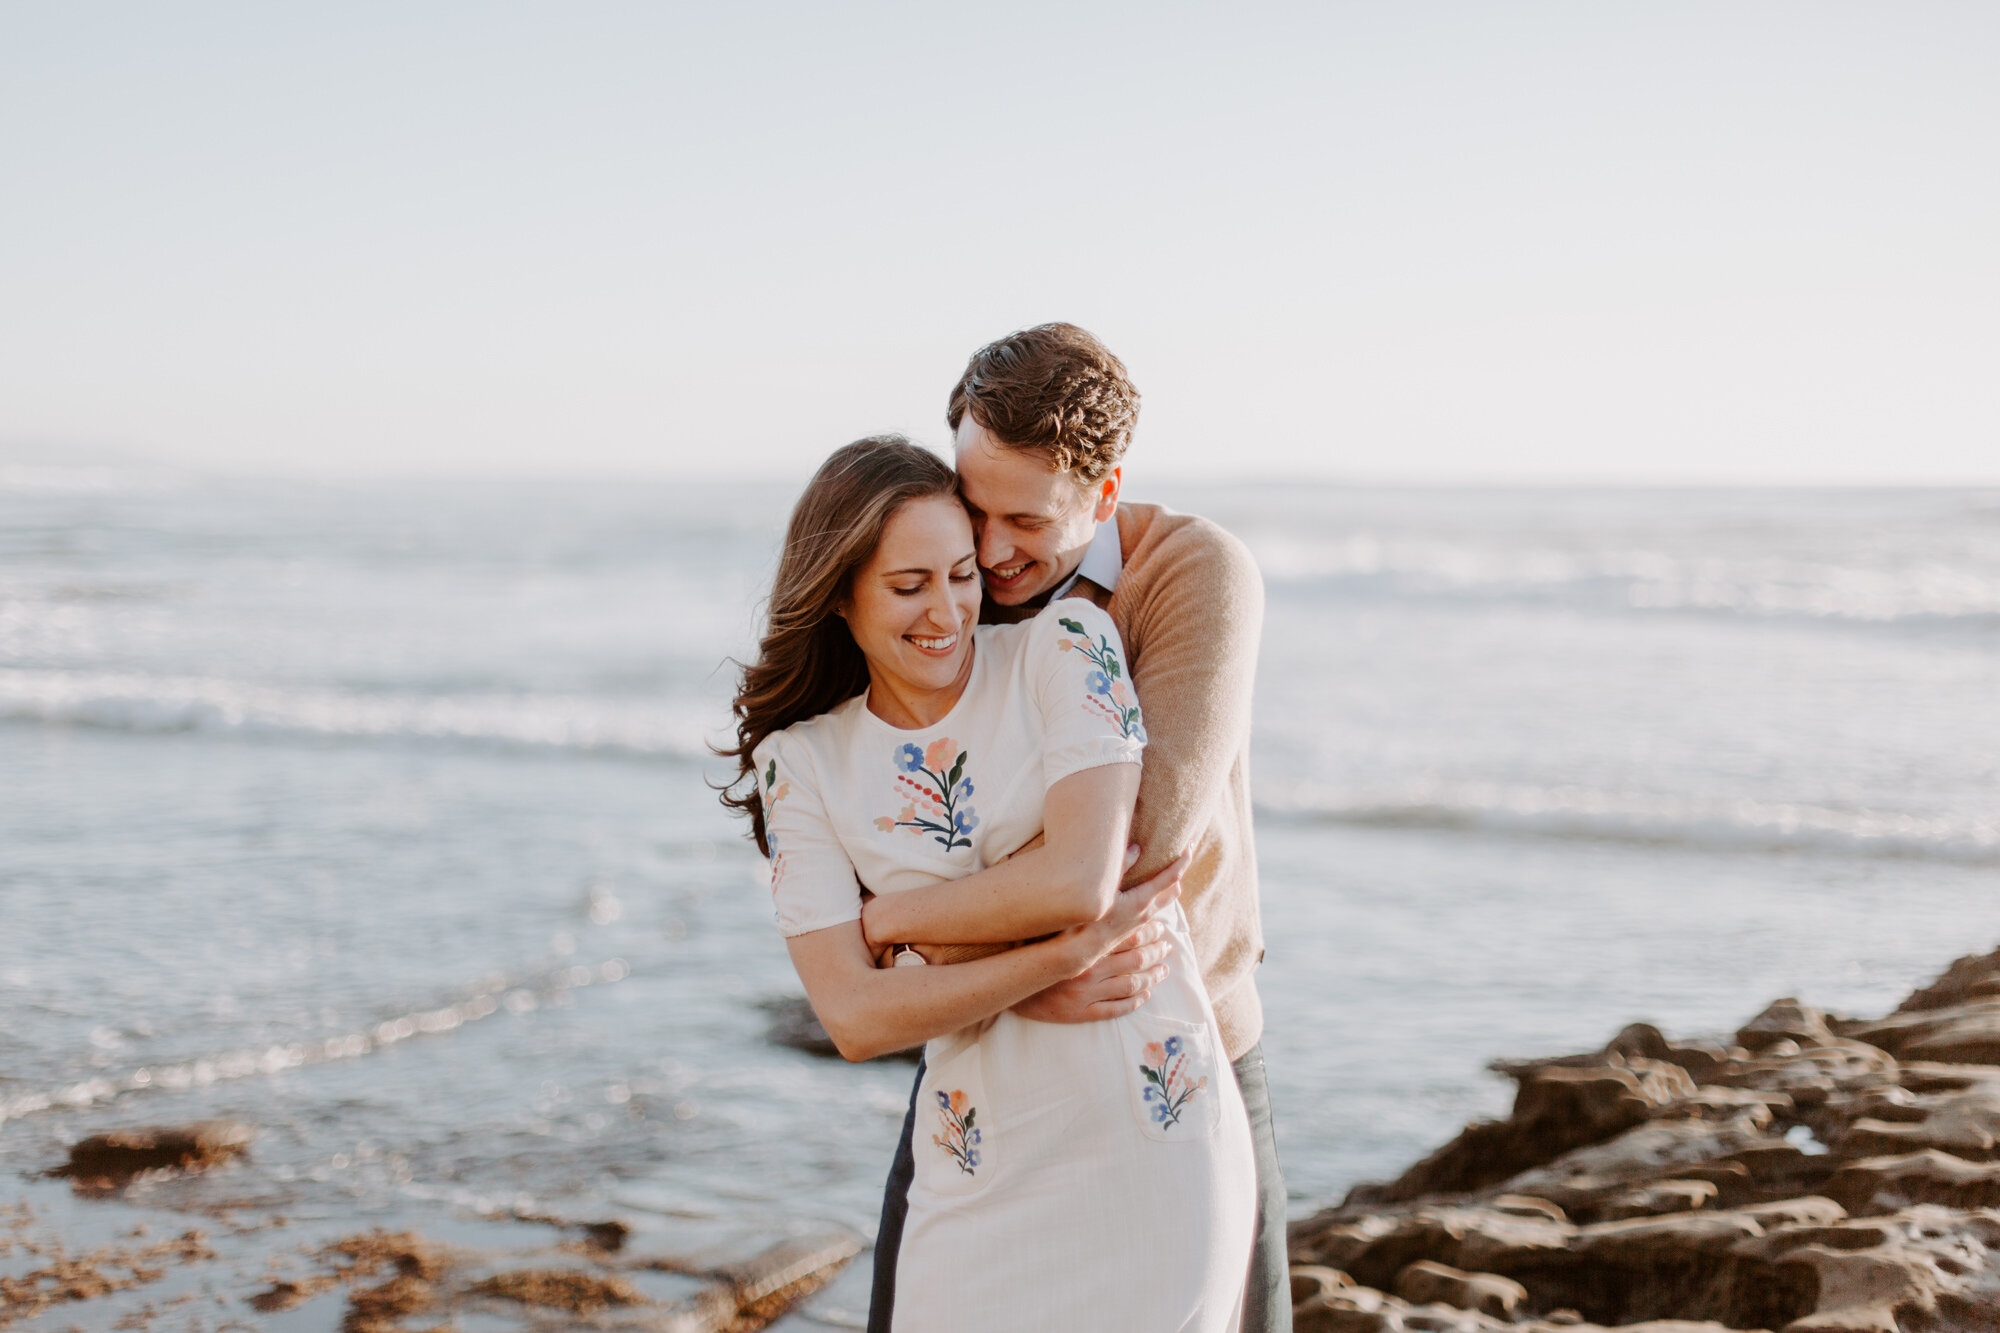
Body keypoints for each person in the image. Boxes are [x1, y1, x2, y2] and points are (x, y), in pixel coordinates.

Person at [722, 436, 1257, 1331]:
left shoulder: (1069, 648)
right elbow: (853, 1018)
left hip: (1150, 1137)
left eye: (963, 574)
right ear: (841, 593)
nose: (949, 610)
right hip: (974, 1165)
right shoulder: (801, 763)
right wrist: (1047, 973)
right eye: (909, 585)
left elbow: (1083, 880)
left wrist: (890, 923)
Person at [869, 323, 1290, 1333]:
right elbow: (857, 815)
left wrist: (909, 922)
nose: (990, 548)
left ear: (1102, 494)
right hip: (982, 1050)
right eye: (973, 507)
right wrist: (986, 958)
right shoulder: (942, 583)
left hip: (1180, 1055)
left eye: (1026, 518)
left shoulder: (1191, 571)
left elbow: (1137, 842)